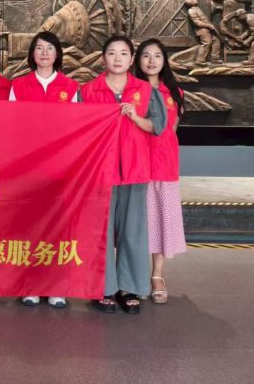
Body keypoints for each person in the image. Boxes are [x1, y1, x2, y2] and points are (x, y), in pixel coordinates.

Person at [80, 36, 166, 315]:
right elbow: (78, 130)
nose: (117, 58)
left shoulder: (144, 89)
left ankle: (129, 287)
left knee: (133, 231)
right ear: (102, 59)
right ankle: (103, 287)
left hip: (134, 169)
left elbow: (158, 125)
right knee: (101, 231)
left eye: (124, 53)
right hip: (99, 172)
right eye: (112, 53)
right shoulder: (88, 91)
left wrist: (135, 118)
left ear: (131, 60)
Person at [9, 31, 79, 308]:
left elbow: (76, 128)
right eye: (39, 48)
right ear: (32, 54)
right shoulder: (19, 86)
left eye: (50, 48)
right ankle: (31, 285)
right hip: (29, 168)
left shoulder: (70, 87)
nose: (45, 53)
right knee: (30, 227)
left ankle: (57, 286)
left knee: (58, 226)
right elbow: (11, 126)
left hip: (60, 168)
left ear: (57, 53)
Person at [134, 39, 186, 305]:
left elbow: (171, 129)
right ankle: (133, 276)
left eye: (157, 56)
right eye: (146, 55)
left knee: (161, 220)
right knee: (137, 222)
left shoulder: (175, 92)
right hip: (136, 164)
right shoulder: (131, 89)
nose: (152, 61)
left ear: (164, 60)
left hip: (164, 164)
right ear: (138, 60)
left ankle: (157, 276)